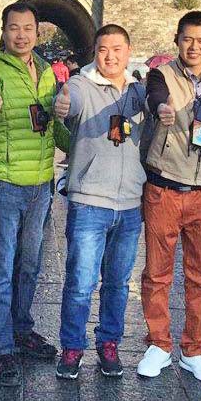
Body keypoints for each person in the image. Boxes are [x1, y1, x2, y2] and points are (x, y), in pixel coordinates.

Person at [0, 2, 69, 387]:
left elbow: (54, 130)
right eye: (14, 27)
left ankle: (21, 329)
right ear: (3, 31)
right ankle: (0, 347)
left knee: (29, 265)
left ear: (37, 31)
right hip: (5, 182)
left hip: (40, 184)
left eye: (28, 28)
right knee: (1, 267)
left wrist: (73, 127)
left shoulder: (46, 73)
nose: (21, 35)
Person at [136, 11, 201, 382]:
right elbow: (156, 95)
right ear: (177, 39)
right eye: (187, 39)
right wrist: (162, 107)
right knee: (157, 273)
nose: (194, 47)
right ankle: (159, 344)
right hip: (164, 186)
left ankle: (196, 350)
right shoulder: (162, 74)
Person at [53, 24, 147, 379]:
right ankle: (72, 347)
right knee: (81, 282)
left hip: (129, 205)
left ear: (128, 51)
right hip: (90, 202)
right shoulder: (81, 84)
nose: (110, 56)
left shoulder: (138, 91)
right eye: (103, 49)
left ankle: (109, 343)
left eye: (117, 49)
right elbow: (71, 101)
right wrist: (64, 105)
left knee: (118, 283)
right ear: (94, 52)